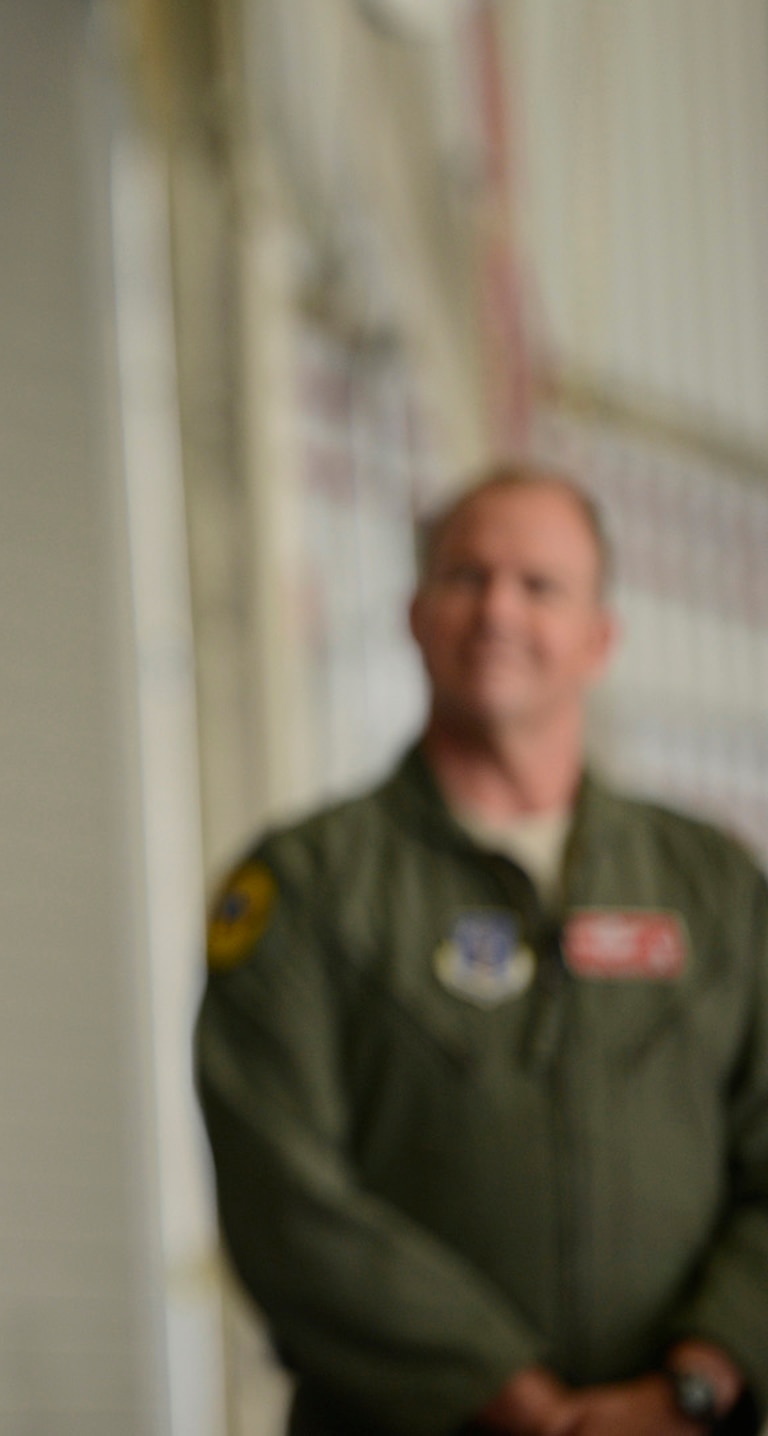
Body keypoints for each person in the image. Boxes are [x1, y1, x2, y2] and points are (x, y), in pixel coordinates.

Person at [196, 466, 768, 1436]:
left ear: (599, 638)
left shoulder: (708, 885)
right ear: (414, 615)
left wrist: (691, 1388)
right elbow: (282, 1198)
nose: (497, 609)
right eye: (465, 577)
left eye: (538, 585)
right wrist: (518, 1406)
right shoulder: (302, 886)